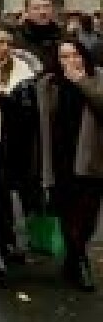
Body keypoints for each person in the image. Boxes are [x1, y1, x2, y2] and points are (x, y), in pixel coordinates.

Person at [37, 39, 103, 291]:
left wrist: (82, 82)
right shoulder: (49, 84)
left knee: (88, 215)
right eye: (64, 56)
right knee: (67, 212)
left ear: (84, 56)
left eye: (75, 54)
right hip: (61, 157)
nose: (70, 61)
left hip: (91, 158)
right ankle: (80, 261)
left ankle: (75, 258)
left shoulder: (97, 77)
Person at [0, 27, 37, 279]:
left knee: (2, 193)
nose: (5, 47)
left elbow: (28, 104)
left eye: (9, 42)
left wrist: (4, 99)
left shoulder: (22, 69)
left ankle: (4, 242)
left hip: (9, 141)